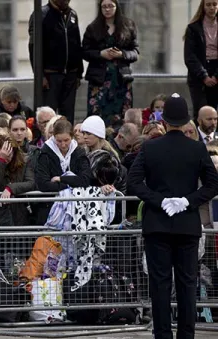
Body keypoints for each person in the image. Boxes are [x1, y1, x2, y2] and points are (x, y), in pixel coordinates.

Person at [127, 93, 218, 339]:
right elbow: (213, 184)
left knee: (160, 285)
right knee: (187, 285)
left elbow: (133, 182)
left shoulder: (150, 147)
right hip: (188, 225)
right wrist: (188, 201)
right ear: (187, 119)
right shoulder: (197, 148)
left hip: (157, 224)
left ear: (164, 120)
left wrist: (160, 200)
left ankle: (163, 335)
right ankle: (187, 335)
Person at [82, 0, 139, 127]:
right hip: (99, 80)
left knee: (122, 116)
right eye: (104, 7)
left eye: (110, 6)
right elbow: (84, 52)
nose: (107, 9)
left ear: (116, 7)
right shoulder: (92, 28)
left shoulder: (128, 25)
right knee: (96, 117)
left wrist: (121, 54)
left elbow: (135, 52)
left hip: (121, 79)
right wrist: (101, 54)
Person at [29, 0, 84, 123]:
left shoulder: (72, 14)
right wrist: (40, 75)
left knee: (68, 117)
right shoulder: (40, 14)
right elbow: (33, 47)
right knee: (48, 117)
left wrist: (79, 73)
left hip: (71, 75)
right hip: (50, 76)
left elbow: (77, 44)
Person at [184, 0, 218, 119]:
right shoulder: (193, 28)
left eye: (215, 4)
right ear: (203, 7)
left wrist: (216, 76)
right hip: (198, 75)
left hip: (216, 69)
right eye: (208, 5)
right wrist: (204, 76)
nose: (212, 8)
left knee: (215, 113)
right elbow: (189, 56)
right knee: (201, 112)